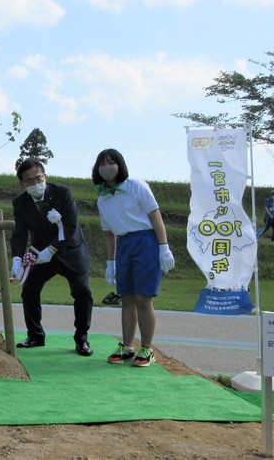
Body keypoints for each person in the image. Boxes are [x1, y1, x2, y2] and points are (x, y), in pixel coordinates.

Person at [92, 148, 175, 367]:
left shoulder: (136, 186)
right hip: (124, 244)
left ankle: (147, 348)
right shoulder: (103, 199)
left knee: (143, 298)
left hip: (146, 241)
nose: (107, 167)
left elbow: (155, 216)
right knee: (126, 297)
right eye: (102, 164)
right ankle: (127, 346)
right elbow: (108, 233)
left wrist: (163, 247)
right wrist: (110, 263)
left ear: (120, 165)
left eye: (111, 162)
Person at [10, 157, 94, 356]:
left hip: (71, 250)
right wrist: (16, 259)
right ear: (22, 183)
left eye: (38, 178)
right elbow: (20, 233)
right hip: (39, 254)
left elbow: (71, 225)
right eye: (29, 181)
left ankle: (81, 339)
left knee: (82, 291)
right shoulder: (20, 203)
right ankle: (35, 335)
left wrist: (53, 249)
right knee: (29, 289)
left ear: (45, 176)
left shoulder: (63, 193)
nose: (35, 183)